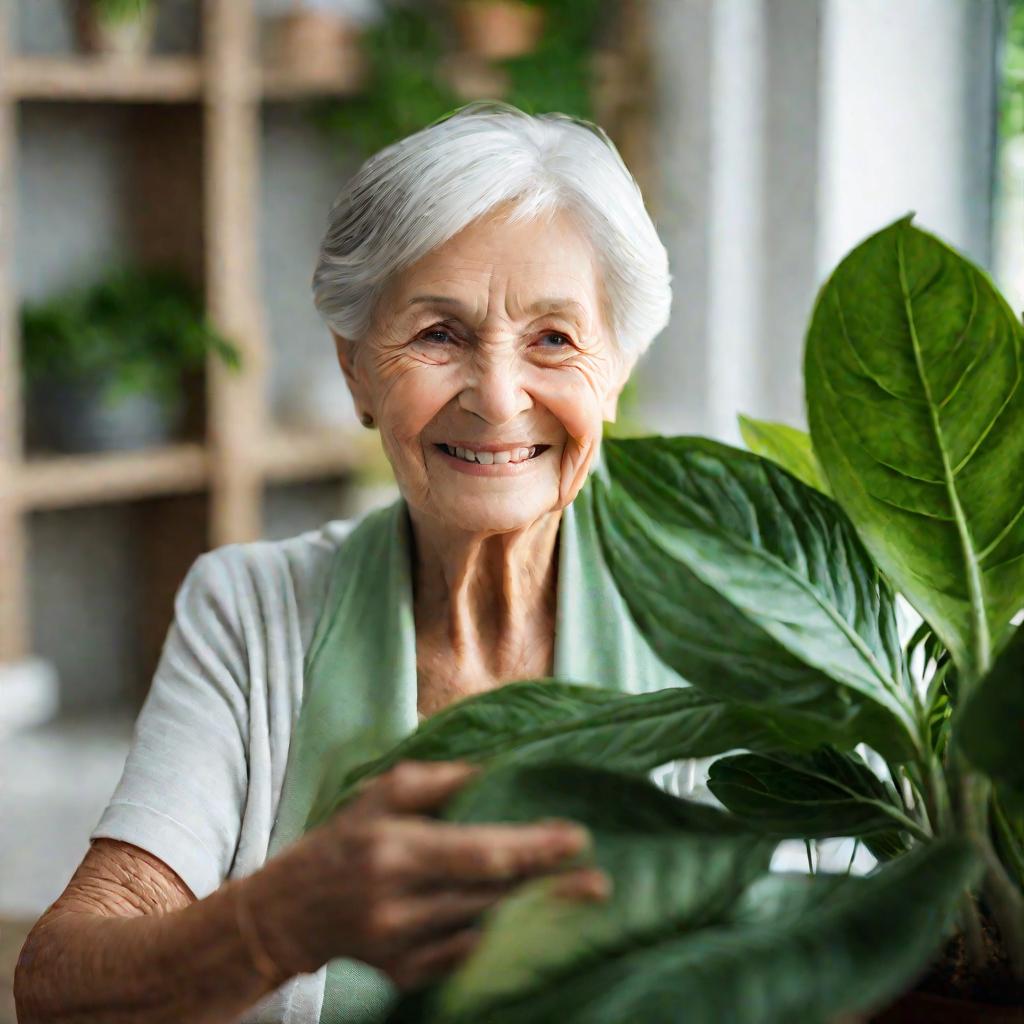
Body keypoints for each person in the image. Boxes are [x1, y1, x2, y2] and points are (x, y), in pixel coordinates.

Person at [14, 99, 681, 1024]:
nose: (497, 398)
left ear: (615, 371)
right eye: (438, 334)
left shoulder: (732, 625)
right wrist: (282, 921)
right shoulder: (251, 610)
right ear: (356, 370)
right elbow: (57, 985)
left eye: (554, 340)